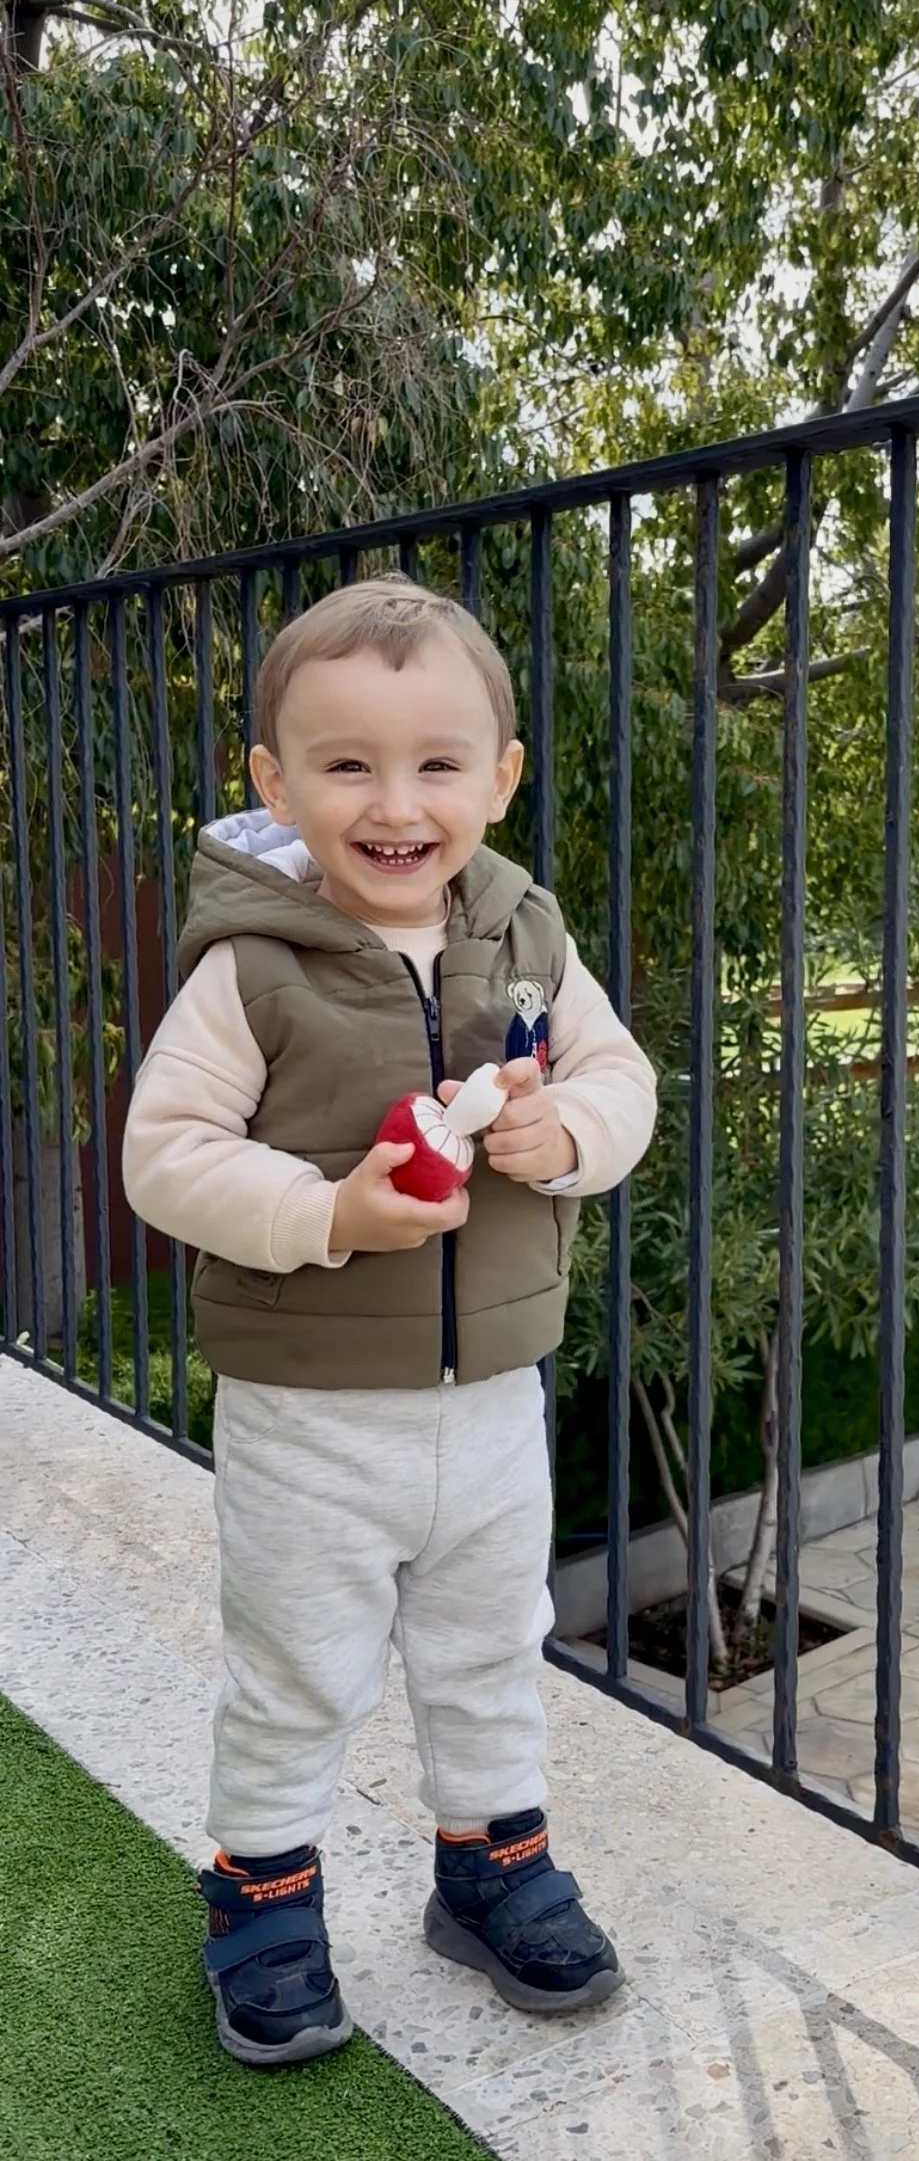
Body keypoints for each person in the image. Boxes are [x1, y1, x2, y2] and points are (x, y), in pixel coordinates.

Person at [123, 576, 656, 2067]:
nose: (395, 803)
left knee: (491, 1647)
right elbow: (165, 1156)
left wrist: (568, 1136)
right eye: (347, 764)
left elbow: (619, 1080)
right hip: (309, 1412)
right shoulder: (251, 965)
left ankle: (489, 1869)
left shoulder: (526, 934)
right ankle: (262, 1900)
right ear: (274, 781)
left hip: (491, 1404)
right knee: (297, 1670)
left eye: (436, 763)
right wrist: (328, 1213)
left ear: (500, 775)